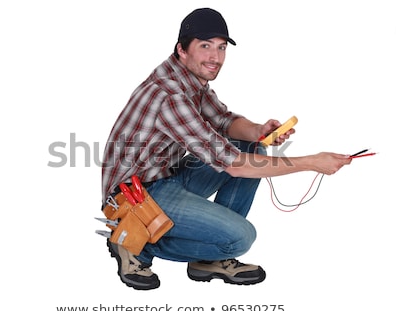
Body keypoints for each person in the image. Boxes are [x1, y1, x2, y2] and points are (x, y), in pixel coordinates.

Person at [101, 8, 351, 290]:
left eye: (221, 48)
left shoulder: (189, 78)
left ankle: (207, 260)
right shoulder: (170, 94)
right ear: (182, 49)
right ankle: (131, 242)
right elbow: (232, 163)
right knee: (240, 238)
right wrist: (311, 162)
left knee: (252, 146)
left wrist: (258, 131)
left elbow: (222, 120)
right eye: (205, 46)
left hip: (165, 178)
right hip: (136, 196)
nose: (215, 58)